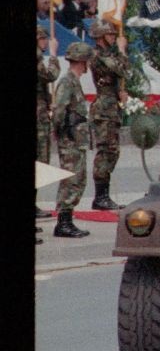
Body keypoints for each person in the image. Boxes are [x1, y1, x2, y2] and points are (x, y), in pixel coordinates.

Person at [51, 43, 95, 237]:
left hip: (77, 139)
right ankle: (63, 223)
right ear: (81, 61)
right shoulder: (67, 82)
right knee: (71, 180)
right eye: (86, 61)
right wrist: (60, 130)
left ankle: (67, 221)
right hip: (70, 139)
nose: (88, 65)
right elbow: (59, 109)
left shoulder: (74, 81)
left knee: (78, 179)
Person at [88, 19, 128, 211]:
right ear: (101, 36)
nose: (113, 37)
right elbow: (122, 69)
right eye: (110, 34)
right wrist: (122, 50)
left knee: (112, 150)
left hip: (110, 106)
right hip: (104, 108)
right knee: (106, 151)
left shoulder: (105, 54)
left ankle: (103, 195)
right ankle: (100, 196)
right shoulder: (98, 55)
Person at [37, 27, 59, 219]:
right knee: (40, 160)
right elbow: (50, 75)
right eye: (44, 39)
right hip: (38, 117)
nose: (46, 42)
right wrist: (53, 55)